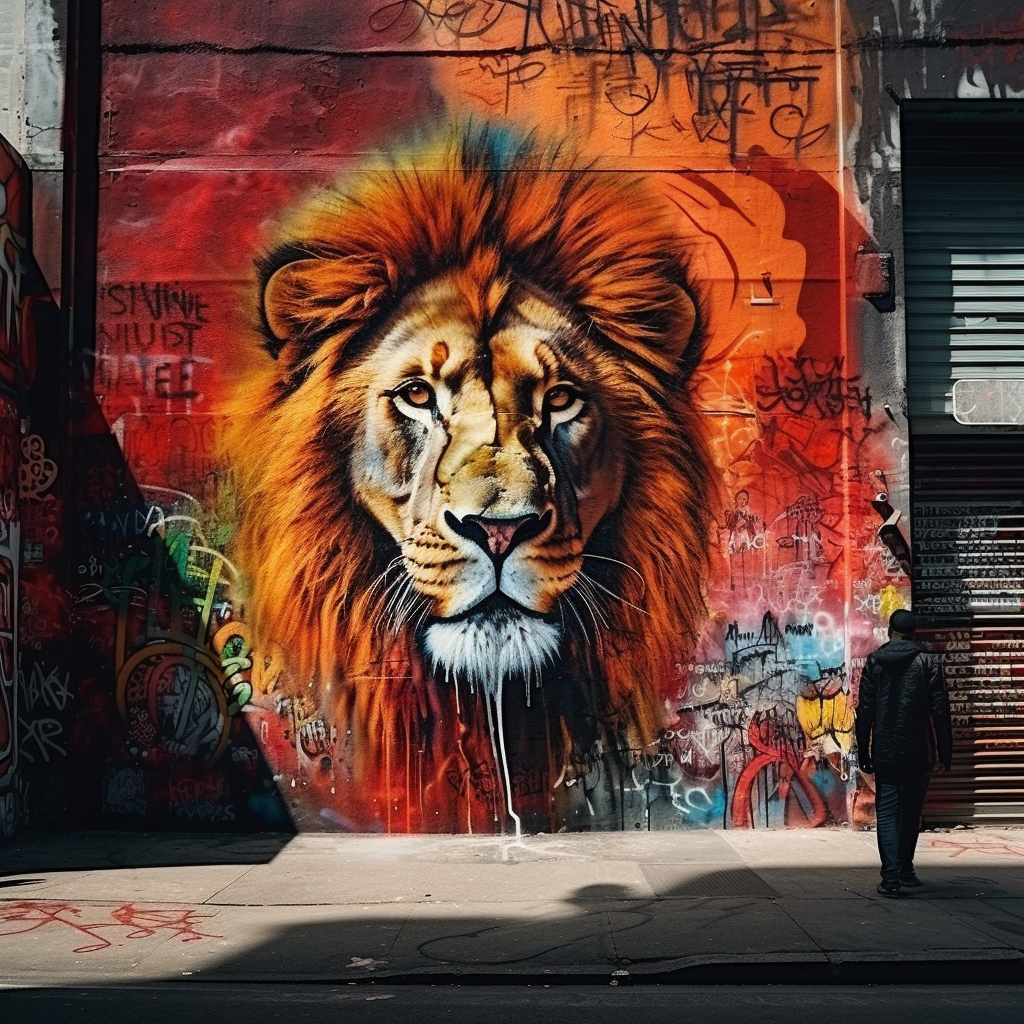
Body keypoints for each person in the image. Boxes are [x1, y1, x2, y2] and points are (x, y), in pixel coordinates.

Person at [856, 609, 952, 897]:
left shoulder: (874, 662)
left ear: (890, 630)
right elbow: (940, 710)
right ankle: (906, 871)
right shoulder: (928, 662)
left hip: (885, 749)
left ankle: (890, 878)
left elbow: (865, 711)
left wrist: (863, 752)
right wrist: (945, 754)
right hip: (918, 750)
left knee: (887, 811)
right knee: (910, 811)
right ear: (914, 632)